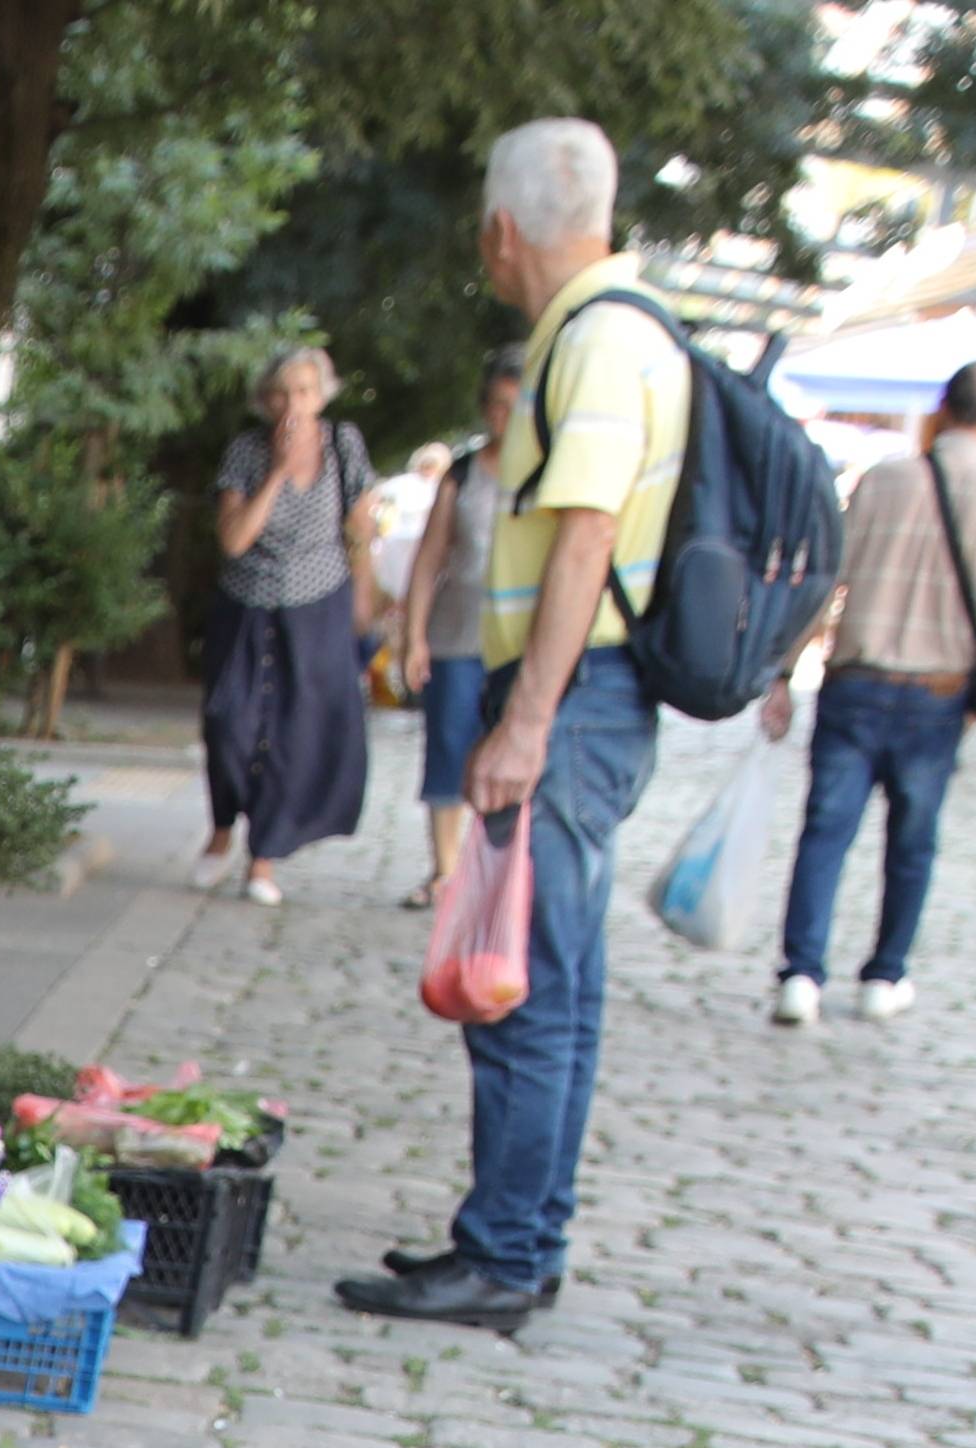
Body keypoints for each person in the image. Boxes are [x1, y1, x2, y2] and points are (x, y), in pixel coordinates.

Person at [337, 119, 685, 1332]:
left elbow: (581, 532)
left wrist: (523, 717)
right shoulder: (631, 328)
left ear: (498, 230)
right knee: (557, 988)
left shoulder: (591, 342)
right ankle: (517, 1239)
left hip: (569, 694)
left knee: (520, 986)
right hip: (588, 694)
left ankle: (502, 1252)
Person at [762, 359, 976, 1028]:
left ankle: (800, 976)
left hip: (854, 683)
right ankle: (883, 975)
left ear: (941, 408)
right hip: (936, 692)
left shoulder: (881, 480)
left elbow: (825, 582)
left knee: (824, 833)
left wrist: (781, 672)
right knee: (912, 840)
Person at [195, 347, 374, 903]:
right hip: (246, 605)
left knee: (294, 734)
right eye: (280, 392)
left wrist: (365, 602)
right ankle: (223, 828)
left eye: (303, 391)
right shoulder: (245, 452)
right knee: (228, 723)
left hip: (318, 605)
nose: (292, 404)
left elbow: (362, 530)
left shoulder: (344, 445)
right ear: (264, 399)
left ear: (321, 395)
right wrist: (276, 470)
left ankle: (263, 860)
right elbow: (233, 539)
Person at [392, 352, 523, 912]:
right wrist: (414, 635)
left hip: (517, 643)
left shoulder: (549, 473)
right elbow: (430, 559)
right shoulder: (463, 475)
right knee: (447, 748)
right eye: (496, 406)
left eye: (516, 408)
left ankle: (497, 875)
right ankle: (445, 872)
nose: (504, 419)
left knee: (509, 753)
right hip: (456, 635)